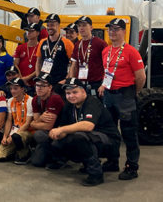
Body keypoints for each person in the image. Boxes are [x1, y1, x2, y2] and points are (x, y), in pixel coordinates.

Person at [48, 78, 121, 187]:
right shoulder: (69, 106)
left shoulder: (92, 102)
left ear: (83, 91)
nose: (71, 96)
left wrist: (62, 130)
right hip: (92, 139)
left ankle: (96, 174)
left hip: (110, 141)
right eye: (68, 93)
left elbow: (88, 126)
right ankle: (69, 161)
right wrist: (57, 134)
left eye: (75, 92)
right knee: (58, 142)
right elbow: (63, 127)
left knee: (79, 137)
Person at [99, 18, 146, 180]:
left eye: (116, 29)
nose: (112, 32)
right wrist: (103, 86)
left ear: (124, 31)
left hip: (125, 95)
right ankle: (113, 161)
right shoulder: (106, 51)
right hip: (109, 94)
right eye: (110, 29)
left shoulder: (131, 51)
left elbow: (141, 76)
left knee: (129, 132)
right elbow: (107, 72)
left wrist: (133, 92)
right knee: (111, 131)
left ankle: (132, 167)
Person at [0, 77, 33, 164]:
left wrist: (12, 136)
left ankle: (25, 153)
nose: (12, 91)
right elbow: (9, 120)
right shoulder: (10, 101)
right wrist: (5, 136)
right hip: (14, 130)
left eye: (15, 88)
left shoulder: (30, 101)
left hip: (26, 131)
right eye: (11, 88)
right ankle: (15, 150)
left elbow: (27, 123)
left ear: (22, 89)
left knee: (17, 137)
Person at [29, 73, 64, 167]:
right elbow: (37, 121)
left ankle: (59, 157)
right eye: (37, 85)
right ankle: (47, 154)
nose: (39, 88)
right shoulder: (36, 99)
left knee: (39, 134)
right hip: (47, 133)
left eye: (43, 85)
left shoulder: (54, 98)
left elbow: (48, 126)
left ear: (50, 87)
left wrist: (33, 124)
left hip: (60, 132)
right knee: (36, 162)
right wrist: (39, 119)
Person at [68, 16, 107, 98]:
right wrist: (71, 82)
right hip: (80, 84)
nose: (81, 28)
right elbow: (74, 66)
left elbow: (107, 66)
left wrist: (104, 84)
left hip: (96, 84)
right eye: (79, 26)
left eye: (84, 25)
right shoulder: (78, 44)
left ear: (91, 27)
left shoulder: (100, 43)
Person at [35, 13, 74, 94]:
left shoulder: (67, 43)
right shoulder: (42, 42)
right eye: (48, 25)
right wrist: (39, 78)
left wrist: (66, 80)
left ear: (58, 25)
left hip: (59, 83)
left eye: (52, 25)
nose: (49, 27)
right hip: (45, 83)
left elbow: (73, 64)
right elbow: (38, 62)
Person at [14, 23, 40, 88]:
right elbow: (15, 64)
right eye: (27, 31)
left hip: (35, 83)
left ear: (37, 33)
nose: (28, 33)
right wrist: (21, 78)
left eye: (31, 31)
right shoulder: (20, 47)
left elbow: (41, 66)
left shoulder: (41, 47)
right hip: (21, 82)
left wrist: (27, 78)